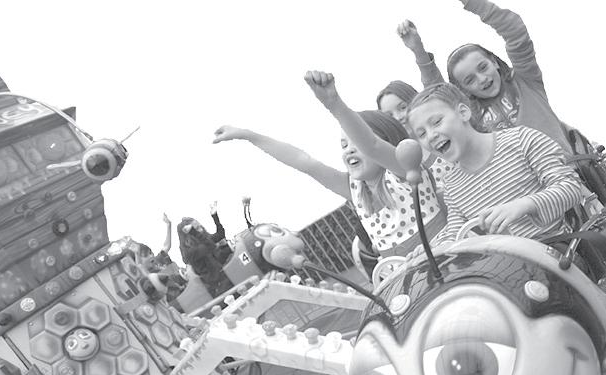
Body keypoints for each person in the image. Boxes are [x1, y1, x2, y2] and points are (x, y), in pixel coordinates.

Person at [213, 107, 445, 257]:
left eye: (356, 142)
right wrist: (249, 136)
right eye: (344, 145)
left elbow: (373, 146)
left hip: (445, 257)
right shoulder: (355, 191)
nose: (349, 150)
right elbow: (303, 161)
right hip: (408, 277)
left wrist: (333, 102)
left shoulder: (404, 171)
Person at [406, 82, 583, 244]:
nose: (431, 136)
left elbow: (570, 187)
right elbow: (455, 232)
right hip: (507, 264)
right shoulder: (452, 184)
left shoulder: (521, 140)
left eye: (436, 122)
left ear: (463, 113)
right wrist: (431, 250)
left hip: (557, 250)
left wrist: (525, 205)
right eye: (421, 134)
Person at [446, 0, 574, 155]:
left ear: (494, 62)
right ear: (464, 90)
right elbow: (437, 99)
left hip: (563, 166)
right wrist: (423, 58)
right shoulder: (471, 118)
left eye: (483, 67)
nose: (482, 79)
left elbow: (515, 31)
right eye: (470, 80)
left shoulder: (525, 80)